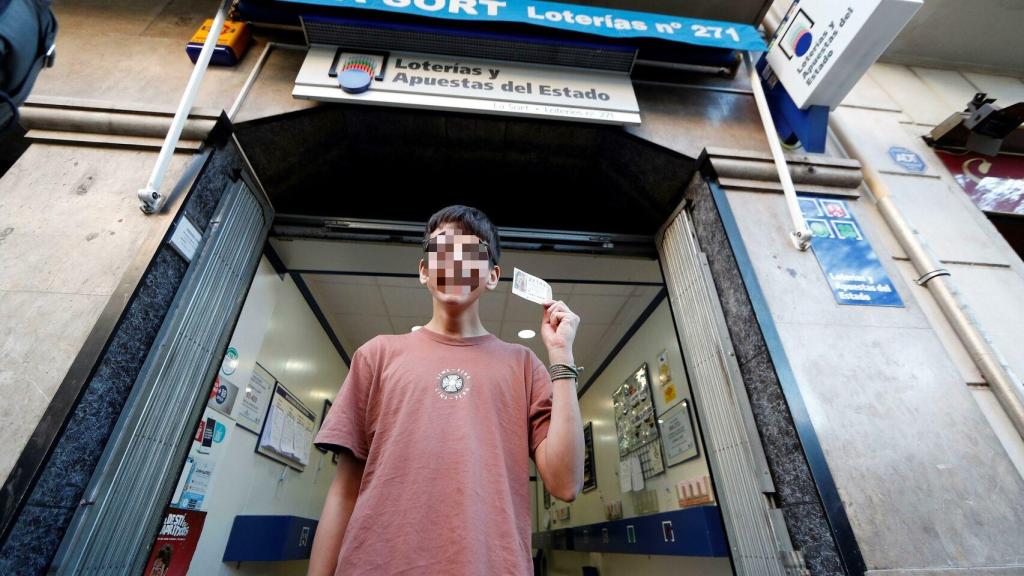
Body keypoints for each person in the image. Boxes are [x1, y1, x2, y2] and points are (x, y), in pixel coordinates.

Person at [308, 205, 584, 575]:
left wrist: (562, 358)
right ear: (424, 271)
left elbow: (566, 483)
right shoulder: (376, 355)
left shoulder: (522, 364)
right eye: (442, 251)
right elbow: (343, 492)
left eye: (470, 253)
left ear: (492, 276)